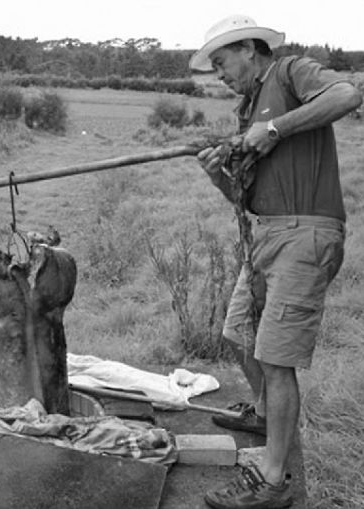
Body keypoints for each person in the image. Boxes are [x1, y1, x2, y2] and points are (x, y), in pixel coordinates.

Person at [190, 14, 362, 509]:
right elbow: (244, 199)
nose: (220, 74)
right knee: (238, 332)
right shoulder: (247, 112)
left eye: (221, 62)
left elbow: (349, 95)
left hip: (305, 233)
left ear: (249, 48)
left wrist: (277, 127)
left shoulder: (289, 73)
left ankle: (273, 478)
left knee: (276, 357)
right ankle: (265, 413)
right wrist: (217, 175)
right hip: (265, 235)